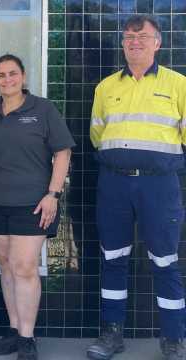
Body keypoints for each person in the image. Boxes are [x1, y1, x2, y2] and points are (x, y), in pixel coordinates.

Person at [86, 14, 186, 360]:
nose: (134, 42)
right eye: (128, 36)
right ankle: (111, 336)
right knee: (113, 259)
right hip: (114, 185)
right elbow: (97, 135)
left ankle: (173, 339)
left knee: (166, 262)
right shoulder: (106, 87)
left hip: (159, 187)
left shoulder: (179, 84)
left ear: (157, 42)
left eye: (142, 36)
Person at [0, 54, 74, 360]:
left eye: (12, 73)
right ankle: (15, 330)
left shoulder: (42, 109)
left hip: (33, 204)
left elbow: (63, 152)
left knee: (25, 267)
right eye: (1, 75)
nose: (7, 79)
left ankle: (28, 338)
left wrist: (53, 194)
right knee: (5, 265)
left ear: (23, 76)